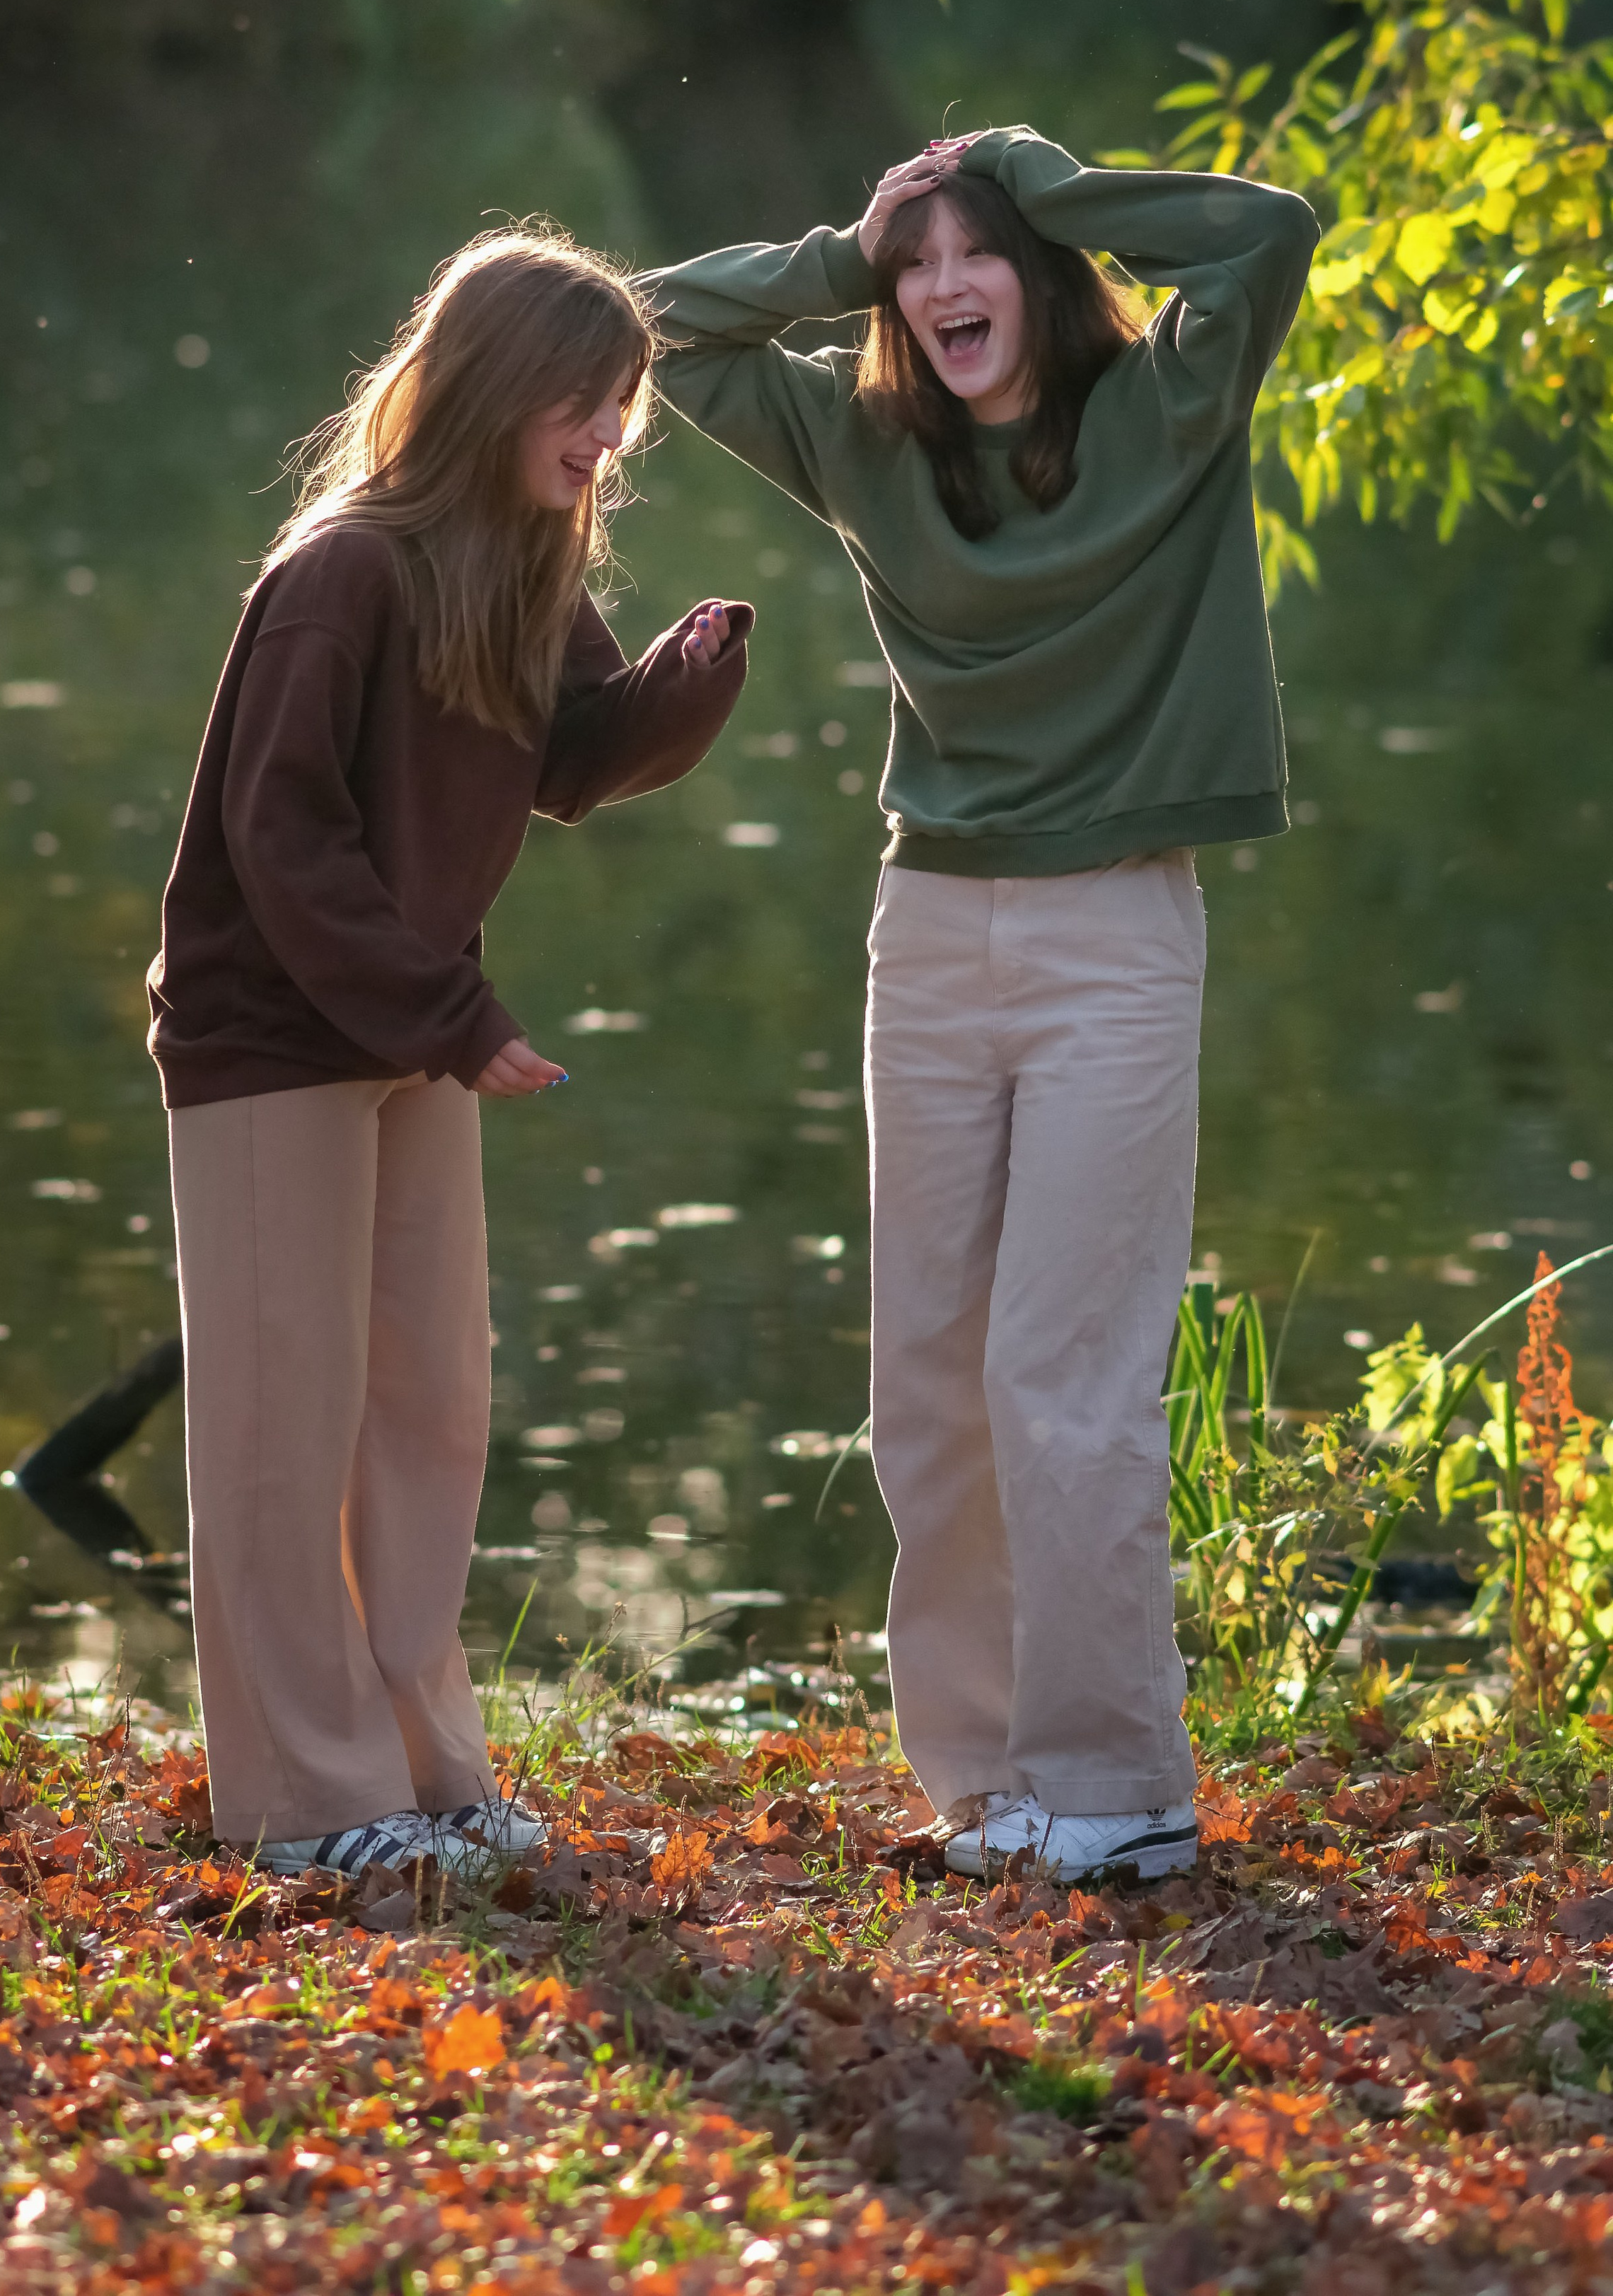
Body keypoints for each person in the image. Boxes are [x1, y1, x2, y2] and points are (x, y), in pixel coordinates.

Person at [641, 124, 1317, 1883]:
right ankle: (979, 1778)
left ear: (1037, 269)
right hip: (928, 927)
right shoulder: (863, 439)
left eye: (977, 251)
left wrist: (1044, 176)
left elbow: (1263, 234)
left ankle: (1119, 1784)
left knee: (1063, 1375)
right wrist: (840, 253)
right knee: (929, 1375)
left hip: (1112, 933)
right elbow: (646, 332)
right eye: (917, 262)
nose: (945, 287)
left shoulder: (1165, 410)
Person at [147, 226, 753, 1881]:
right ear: (489, 384)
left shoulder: (523, 563)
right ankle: (305, 1804)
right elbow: (284, 840)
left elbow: (564, 758)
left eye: (625, 402)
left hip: (411, 1024)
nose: (610, 431)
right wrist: (452, 1018)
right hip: (275, 1034)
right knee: (286, 1419)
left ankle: (424, 1768)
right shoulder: (336, 575)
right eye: (586, 394)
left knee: (427, 1405)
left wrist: (684, 688)